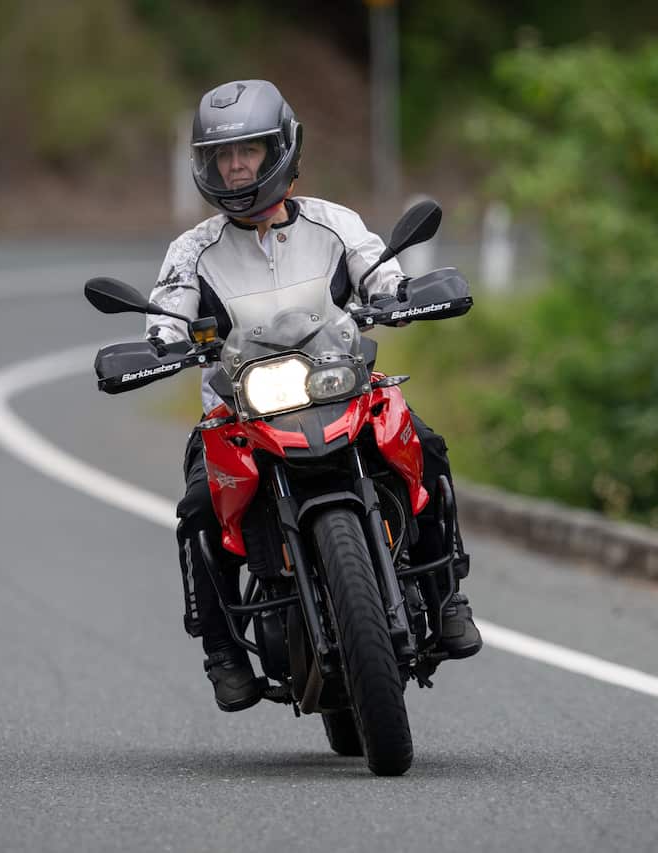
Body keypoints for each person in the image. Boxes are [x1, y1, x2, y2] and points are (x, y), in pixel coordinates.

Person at [147, 80, 481, 713]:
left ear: (282, 149)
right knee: (197, 508)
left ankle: (446, 599)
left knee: (428, 451)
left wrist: (399, 296)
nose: (237, 165)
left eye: (249, 150)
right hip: (240, 412)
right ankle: (222, 651)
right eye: (224, 155)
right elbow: (166, 315)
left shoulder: (335, 223)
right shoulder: (192, 251)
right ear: (207, 165)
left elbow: (381, 273)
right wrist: (161, 343)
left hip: (342, 387)